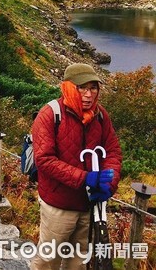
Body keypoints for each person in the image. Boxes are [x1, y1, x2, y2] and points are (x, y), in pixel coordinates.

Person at [31, 63, 122, 270]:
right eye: (82, 87)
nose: (89, 94)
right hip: (58, 205)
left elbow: (113, 151)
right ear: (69, 87)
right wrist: (85, 178)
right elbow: (44, 159)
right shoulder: (50, 114)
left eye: (93, 88)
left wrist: (110, 181)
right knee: (48, 259)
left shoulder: (100, 116)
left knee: (78, 262)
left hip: (88, 205)